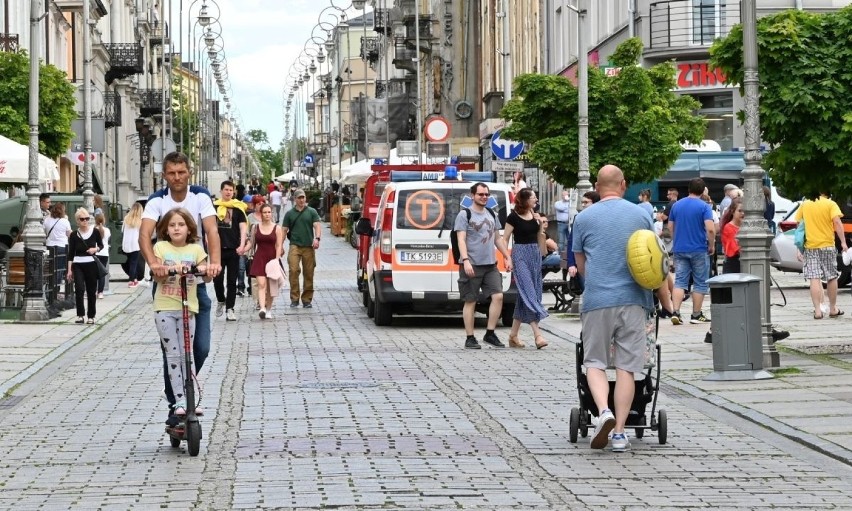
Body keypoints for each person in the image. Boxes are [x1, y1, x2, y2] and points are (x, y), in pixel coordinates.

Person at [572, 164, 654, 452]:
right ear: (623, 185)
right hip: (634, 299)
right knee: (627, 367)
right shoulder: (641, 214)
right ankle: (619, 432)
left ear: (596, 185)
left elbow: (581, 265)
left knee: (593, 361)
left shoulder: (583, 218)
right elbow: (652, 254)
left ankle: (602, 410)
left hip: (597, 300)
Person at [139, 151, 221, 421]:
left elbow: (211, 231)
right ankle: (176, 403)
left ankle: (182, 390)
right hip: (167, 285)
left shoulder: (200, 196)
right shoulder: (157, 200)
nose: (177, 177)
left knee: (201, 348)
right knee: (172, 350)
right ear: (165, 175)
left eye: (181, 172)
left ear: (189, 173)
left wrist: (214, 264)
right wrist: (154, 264)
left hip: (193, 284)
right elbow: (144, 234)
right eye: (172, 173)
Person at [151, 208, 212, 421]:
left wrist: (208, 270)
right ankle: (178, 400)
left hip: (188, 308)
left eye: (181, 225)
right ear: (166, 230)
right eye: (172, 225)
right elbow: (156, 274)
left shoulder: (196, 250)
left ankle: (192, 399)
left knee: (189, 354)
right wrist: (164, 270)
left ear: (189, 229)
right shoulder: (160, 247)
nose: (177, 228)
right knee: (174, 354)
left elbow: (205, 274)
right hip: (165, 308)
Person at [455, 182, 513, 349]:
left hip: (490, 265)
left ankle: (490, 333)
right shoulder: (464, 215)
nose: (484, 197)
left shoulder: (491, 213)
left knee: (498, 296)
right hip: (471, 264)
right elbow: (461, 239)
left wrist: (507, 256)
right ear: (472, 196)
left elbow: (497, 239)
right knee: (470, 301)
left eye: (486, 194)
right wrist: (465, 260)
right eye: (481, 194)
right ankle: (470, 337)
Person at [502, 188, 549, 349]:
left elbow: (540, 241)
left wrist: (541, 225)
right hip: (520, 254)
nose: (536, 200)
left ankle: (513, 336)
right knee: (529, 293)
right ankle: (538, 335)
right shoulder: (513, 217)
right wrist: (507, 258)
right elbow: (505, 239)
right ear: (524, 200)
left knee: (526, 296)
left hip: (535, 255)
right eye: (533, 197)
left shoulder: (535, 216)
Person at [669, 178, 715, 325]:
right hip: (699, 249)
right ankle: (696, 314)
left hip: (680, 248)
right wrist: (712, 244)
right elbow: (710, 229)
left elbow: (670, 227)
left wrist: (676, 239)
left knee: (680, 281)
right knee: (700, 282)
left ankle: (675, 312)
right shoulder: (704, 207)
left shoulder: (677, 205)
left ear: (688, 189)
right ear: (702, 191)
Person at [796, 191, 848, 319]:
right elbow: (837, 222)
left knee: (814, 278)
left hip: (811, 246)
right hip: (827, 246)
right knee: (831, 277)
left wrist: (798, 247)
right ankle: (832, 308)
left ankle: (818, 310)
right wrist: (843, 242)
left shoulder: (805, 204)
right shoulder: (831, 204)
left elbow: (799, 225)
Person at [212, 180, 248, 322]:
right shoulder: (214, 208)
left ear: (234, 192)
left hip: (233, 249)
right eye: (226, 190)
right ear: (221, 191)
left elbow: (243, 227)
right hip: (218, 250)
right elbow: (210, 228)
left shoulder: (238, 208)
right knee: (217, 279)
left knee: (232, 281)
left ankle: (230, 308)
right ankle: (221, 299)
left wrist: (242, 244)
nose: (228, 192)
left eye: (231, 190)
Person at [281, 188, 322, 308]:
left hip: (308, 246)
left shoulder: (312, 211)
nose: (302, 200)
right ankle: (294, 298)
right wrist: (280, 246)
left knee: (309, 272)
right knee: (293, 271)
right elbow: (284, 230)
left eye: (303, 197)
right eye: (299, 197)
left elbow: (317, 226)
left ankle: (307, 299)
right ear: (295, 199)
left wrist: (317, 238)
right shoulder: (289, 214)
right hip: (294, 245)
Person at [67, 207, 104, 324]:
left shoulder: (95, 232)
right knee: (79, 289)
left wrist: (95, 249)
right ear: (77, 220)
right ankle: (80, 315)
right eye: (82, 219)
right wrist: (69, 270)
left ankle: (91, 316)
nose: (85, 221)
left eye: (87, 219)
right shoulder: (74, 235)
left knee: (91, 290)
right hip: (78, 264)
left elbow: (101, 245)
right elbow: (71, 253)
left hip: (91, 263)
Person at [248, 203, 283, 319]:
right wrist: (243, 249)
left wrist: (277, 260)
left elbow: (279, 245)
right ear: (261, 214)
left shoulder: (277, 228)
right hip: (259, 258)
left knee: (271, 287)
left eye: (269, 212)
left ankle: (268, 309)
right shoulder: (255, 227)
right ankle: (262, 308)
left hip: (272, 259)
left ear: (271, 213)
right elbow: (251, 243)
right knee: (261, 284)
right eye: (265, 212)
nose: (267, 214)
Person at [44, 202, 72, 288]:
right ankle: (56, 288)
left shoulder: (47, 220)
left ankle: (49, 288)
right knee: (59, 269)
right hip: (62, 247)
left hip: (50, 246)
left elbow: (43, 232)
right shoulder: (65, 221)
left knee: (50, 268)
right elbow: (69, 234)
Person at [122, 203, 144, 287]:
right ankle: (131, 280)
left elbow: (122, 231)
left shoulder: (126, 219)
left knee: (131, 262)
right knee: (134, 263)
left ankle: (134, 279)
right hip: (135, 244)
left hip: (126, 244)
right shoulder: (140, 220)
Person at [553, 189, 573, 280]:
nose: (566, 196)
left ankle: (569, 253)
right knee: (561, 241)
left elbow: (571, 210)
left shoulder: (570, 203)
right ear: (562, 195)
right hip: (561, 223)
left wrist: (568, 206)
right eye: (564, 195)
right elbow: (560, 209)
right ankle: (561, 256)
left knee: (569, 240)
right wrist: (567, 208)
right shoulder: (558, 203)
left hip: (568, 223)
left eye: (567, 195)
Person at [94, 212, 110, 299]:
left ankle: (94, 290)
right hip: (104, 253)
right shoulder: (107, 230)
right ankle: (100, 292)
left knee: (94, 273)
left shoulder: (93, 230)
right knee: (102, 274)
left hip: (96, 252)